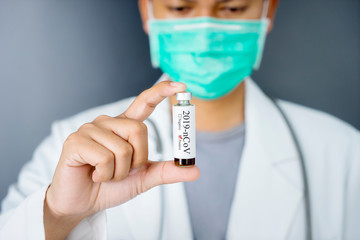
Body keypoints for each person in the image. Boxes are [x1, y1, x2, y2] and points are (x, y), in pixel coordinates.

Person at [0, 0, 359, 239]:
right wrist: (58, 216)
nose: (204, 31)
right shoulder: (72, 150)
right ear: (147, 11)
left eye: (232, 7)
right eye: (180, 6)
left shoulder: (343, 155)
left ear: (268, 12)